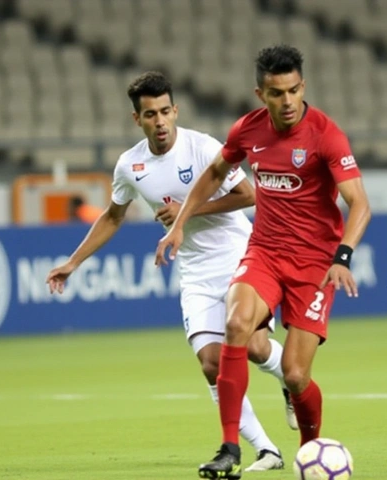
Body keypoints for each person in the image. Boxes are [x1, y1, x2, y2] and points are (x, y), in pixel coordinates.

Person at [46, 72, 294, 472]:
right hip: (195, 270)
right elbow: (112, 216)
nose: (160, 121)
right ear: (137, 120)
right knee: (212, 363)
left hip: (239, 257)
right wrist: (73, 262)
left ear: (175, 111)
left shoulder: (203, 148)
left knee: (254, 348)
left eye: (165, 111)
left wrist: (187, 210)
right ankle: (267, 450)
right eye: (150, 115)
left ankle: (288, 381)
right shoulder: (130, 165)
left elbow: (248, 196)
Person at [155, 45, 372, 479]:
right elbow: (215, 174)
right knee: (235, 325)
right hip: (264, 252)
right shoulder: (248, 130)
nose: (287, 101)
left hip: (314, 264)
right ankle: (230, 447)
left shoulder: (326, 135)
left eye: (293, 90)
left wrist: (342, 257)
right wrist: (181, 221)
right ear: (261, 94)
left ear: (303, 86)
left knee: (294, 374)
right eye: (277, 93)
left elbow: (359, 204)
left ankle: (310, 450)